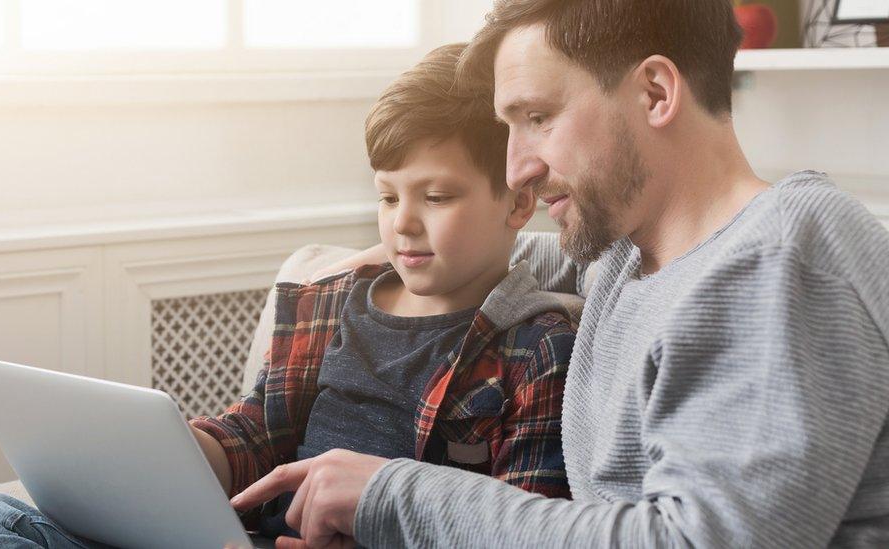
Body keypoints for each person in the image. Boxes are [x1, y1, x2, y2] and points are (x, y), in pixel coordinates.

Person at [231, 1, 889, 548]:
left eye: (538, 118)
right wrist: (414, 252)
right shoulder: (628, 255)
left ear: (655, 92)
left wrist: (391, 493)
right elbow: (556, 259)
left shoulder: (786, 256)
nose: (517, 167)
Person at [0, 43, 578, 547]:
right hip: (246, 539)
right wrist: (178, 455)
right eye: (387, 196)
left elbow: (516, 524)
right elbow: (259, 434)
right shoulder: (327, 304)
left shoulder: (536, 348)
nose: (402, 224)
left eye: (435, 197)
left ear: (520, 200)